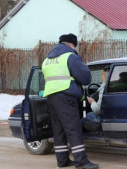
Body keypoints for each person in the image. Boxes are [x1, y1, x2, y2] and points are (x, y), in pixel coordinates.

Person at [42, 33, 99, 169]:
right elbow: (85, 79)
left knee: (59, 130)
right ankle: (81, 162)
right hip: (66, 97)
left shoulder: (47, 59)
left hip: (51, 97)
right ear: (72, 45)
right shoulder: (70, 56)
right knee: (73, 129)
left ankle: (62, 161)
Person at [83, 67, 109, 131]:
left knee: (86, 116)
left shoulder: (104, 89)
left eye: (102, 73)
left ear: (106, 75)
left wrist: (92, 102)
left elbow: (98, 110)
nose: (101, 75)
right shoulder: (108, 86)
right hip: (110, 115)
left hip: (104, 117)